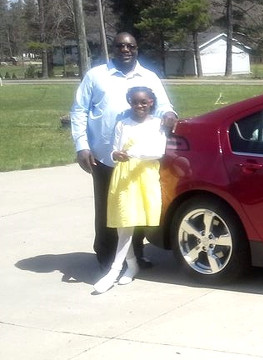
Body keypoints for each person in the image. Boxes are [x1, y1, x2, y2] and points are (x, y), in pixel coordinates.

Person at [70, 32, 178, 270]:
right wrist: (82, 146)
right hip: (104, 157)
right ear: (113, 48)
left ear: (136, 48)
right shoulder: (96, 76)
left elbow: (164, 106)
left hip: (139, 160)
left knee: (135, 208)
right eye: (120, 46)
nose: (125, 49)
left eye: (130, 45)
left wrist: (170, 114)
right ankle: (107, 257)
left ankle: (135, 255)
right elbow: (78, 111)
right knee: (109, 208)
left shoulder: (149, 77)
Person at [93, 86, 167, 294]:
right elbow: (115, 149)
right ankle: (130, 263)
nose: (139, 106)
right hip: (124, 176)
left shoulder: (157, 125)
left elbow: (158, 151)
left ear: (151, 102)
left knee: (130, 223)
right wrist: (116, 154)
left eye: (144, 102)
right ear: (130, 103)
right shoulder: (122, 124)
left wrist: (133, 152)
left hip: (144, 176)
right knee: (122, 222)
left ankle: (115, 270)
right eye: (135, 102)